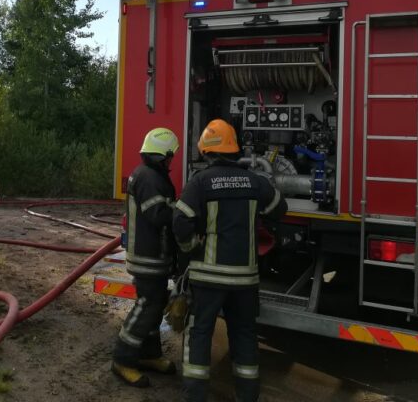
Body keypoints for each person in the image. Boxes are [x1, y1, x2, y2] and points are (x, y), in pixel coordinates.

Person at [173, 119, 287, 402]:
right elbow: (280, 209)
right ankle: (247, 395)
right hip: (245, 279)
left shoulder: (200, 182)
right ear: (234, 149)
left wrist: (192, 248)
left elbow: (180, 221)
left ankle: (195, 396)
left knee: (200, 333)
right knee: (245, 335)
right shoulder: (255, 181)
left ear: (206, 151)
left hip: (208, 277)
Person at [112, 127, 180, 388]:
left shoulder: (150, 174)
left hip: (153, 254)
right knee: (147, 306)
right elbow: (158, 215)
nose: (171, 160)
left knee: (155, 303)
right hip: (147, 256)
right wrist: (184, 210)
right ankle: (123, 359)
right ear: (163, 155)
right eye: (170, 156)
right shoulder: (149, 178)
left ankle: (149, 355)